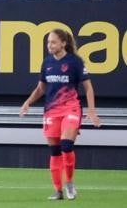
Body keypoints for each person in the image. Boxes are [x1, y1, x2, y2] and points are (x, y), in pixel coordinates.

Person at [19, 29, 101, 200]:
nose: (50, 45)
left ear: (63, 43)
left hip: (71, 108)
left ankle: (69, 183)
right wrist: (28, 102)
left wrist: (92, 111)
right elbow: (41, 88)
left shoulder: (75, 62)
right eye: (48, 42)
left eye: (53, 42)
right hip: (52, 111)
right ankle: (58, 191)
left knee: (66, 145)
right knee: (55, 151)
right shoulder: (47, 63)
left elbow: (88, 87)